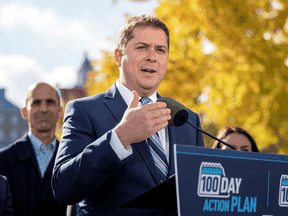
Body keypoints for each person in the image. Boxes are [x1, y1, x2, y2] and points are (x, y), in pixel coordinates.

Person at [52, 15, 205, 216]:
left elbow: (200, 193)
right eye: (142, 47)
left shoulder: (187, 119)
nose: (152, 56)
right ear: (118, 56)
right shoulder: (83, 111)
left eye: (161, 50)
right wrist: (121, 137)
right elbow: (64, 187)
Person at [0, 82, 67, 216]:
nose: (43, 109)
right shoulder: (3, 161)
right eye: (36, 103)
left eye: (50, 102)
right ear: (24, 112)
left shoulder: (71, 161)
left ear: (60, 112)